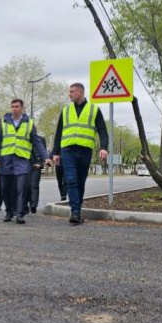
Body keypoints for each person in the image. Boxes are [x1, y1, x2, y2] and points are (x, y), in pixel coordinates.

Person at [51, 83, 109, 224]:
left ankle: (77, 208)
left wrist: (103, 147)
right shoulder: (65, 110)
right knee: (71, 179)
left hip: (85, 151)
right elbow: (59, 132)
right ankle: (75, 212)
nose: (69, 94)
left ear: (80, 92)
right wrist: (56, 152)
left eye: (72, 91)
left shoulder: (94, 109)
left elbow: (102, 130)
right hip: (68, 150)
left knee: (80, 182)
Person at [0, 99, 52, 224]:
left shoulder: (29, 123)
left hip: (22, 160)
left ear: (22, 108)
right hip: (6, 159)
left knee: (22, 187)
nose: (14, 109)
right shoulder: (4, 122)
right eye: (12, 106)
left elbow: (37, 142)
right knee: (5, 188)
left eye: (17, 106)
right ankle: (9, 211)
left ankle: (19, 214)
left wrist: (45, 157)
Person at [25, 133, 47, 214]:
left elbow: (43, 152)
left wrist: (40, 164)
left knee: (34, 185)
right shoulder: (23, 138)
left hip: (36, 166)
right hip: (25, 166)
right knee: (25, 186)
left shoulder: (41, 139)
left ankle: (33, 205)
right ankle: (25, 204)